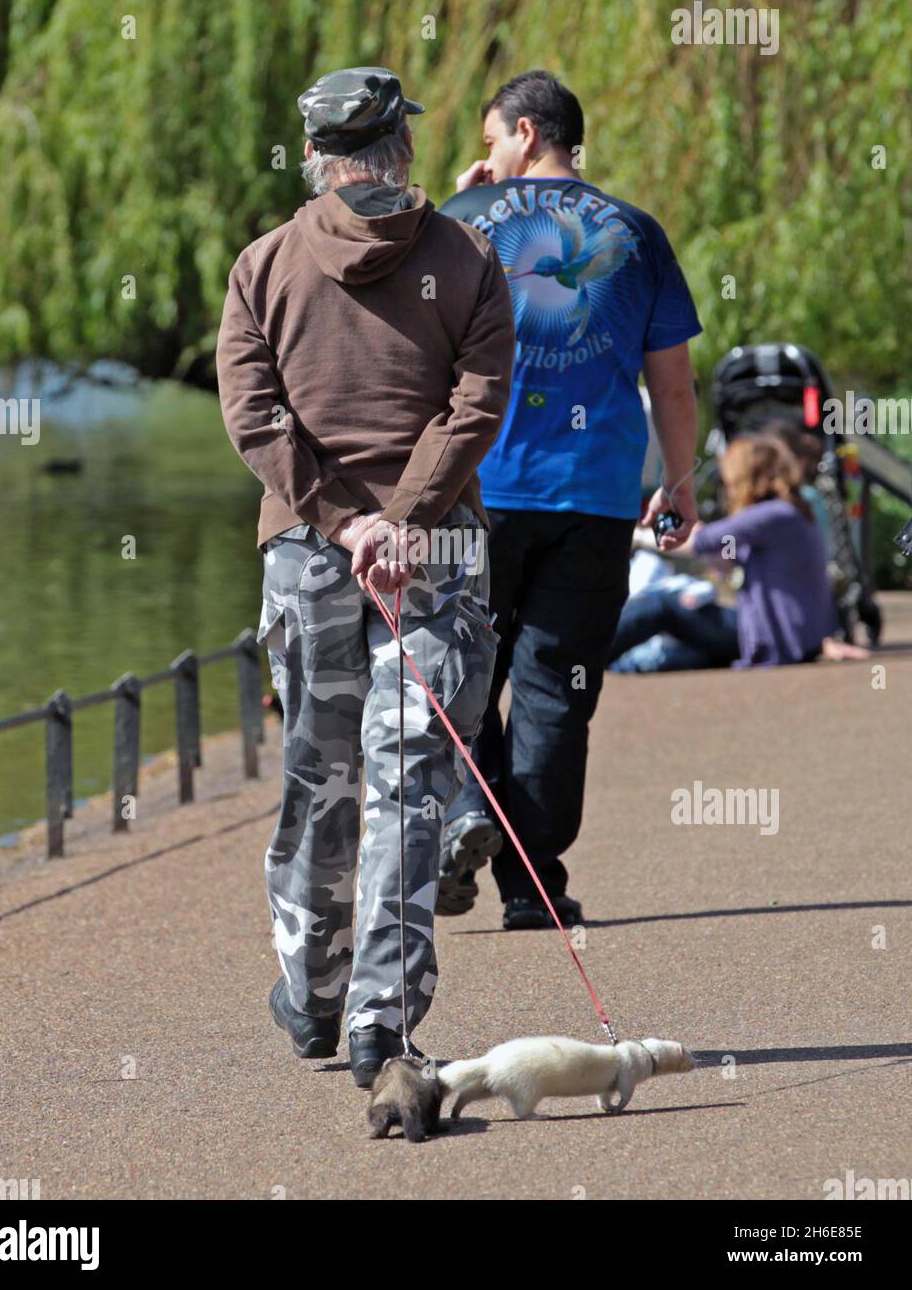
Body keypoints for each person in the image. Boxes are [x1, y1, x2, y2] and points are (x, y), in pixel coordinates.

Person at [215, 67, 514, 1086]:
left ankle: (311, 991)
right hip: (430, 554)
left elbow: (255, 416)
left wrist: (341, 520)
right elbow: (476, 405)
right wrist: (402, 517)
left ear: (313, 154)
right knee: (408, 785)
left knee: (317, 773)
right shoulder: (469, 258)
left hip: (306, 554)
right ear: (401, 148)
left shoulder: (263, 265)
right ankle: (380, 1022)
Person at [436, 70, 702, 928]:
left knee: (461, 665)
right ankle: (533, 880)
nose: (486, 157)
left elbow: (405, 301)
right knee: (557, 682)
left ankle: (468, 811)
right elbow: (673, 383)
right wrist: (681, 481)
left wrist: (453, 202)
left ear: (524, 132)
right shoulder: (637, 232)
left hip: (476, 490)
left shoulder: (464, 226)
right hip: (594, 496)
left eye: (489, 141)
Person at [608, 434, 838, 669]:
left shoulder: (773, 514)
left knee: (661, 605)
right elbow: (727, 557)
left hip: (773, 638)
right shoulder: (791, 512)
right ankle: (606, 662)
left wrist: (636, 536)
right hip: (789, 639)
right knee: (655, 660)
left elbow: (699, 542)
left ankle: (585, 655)